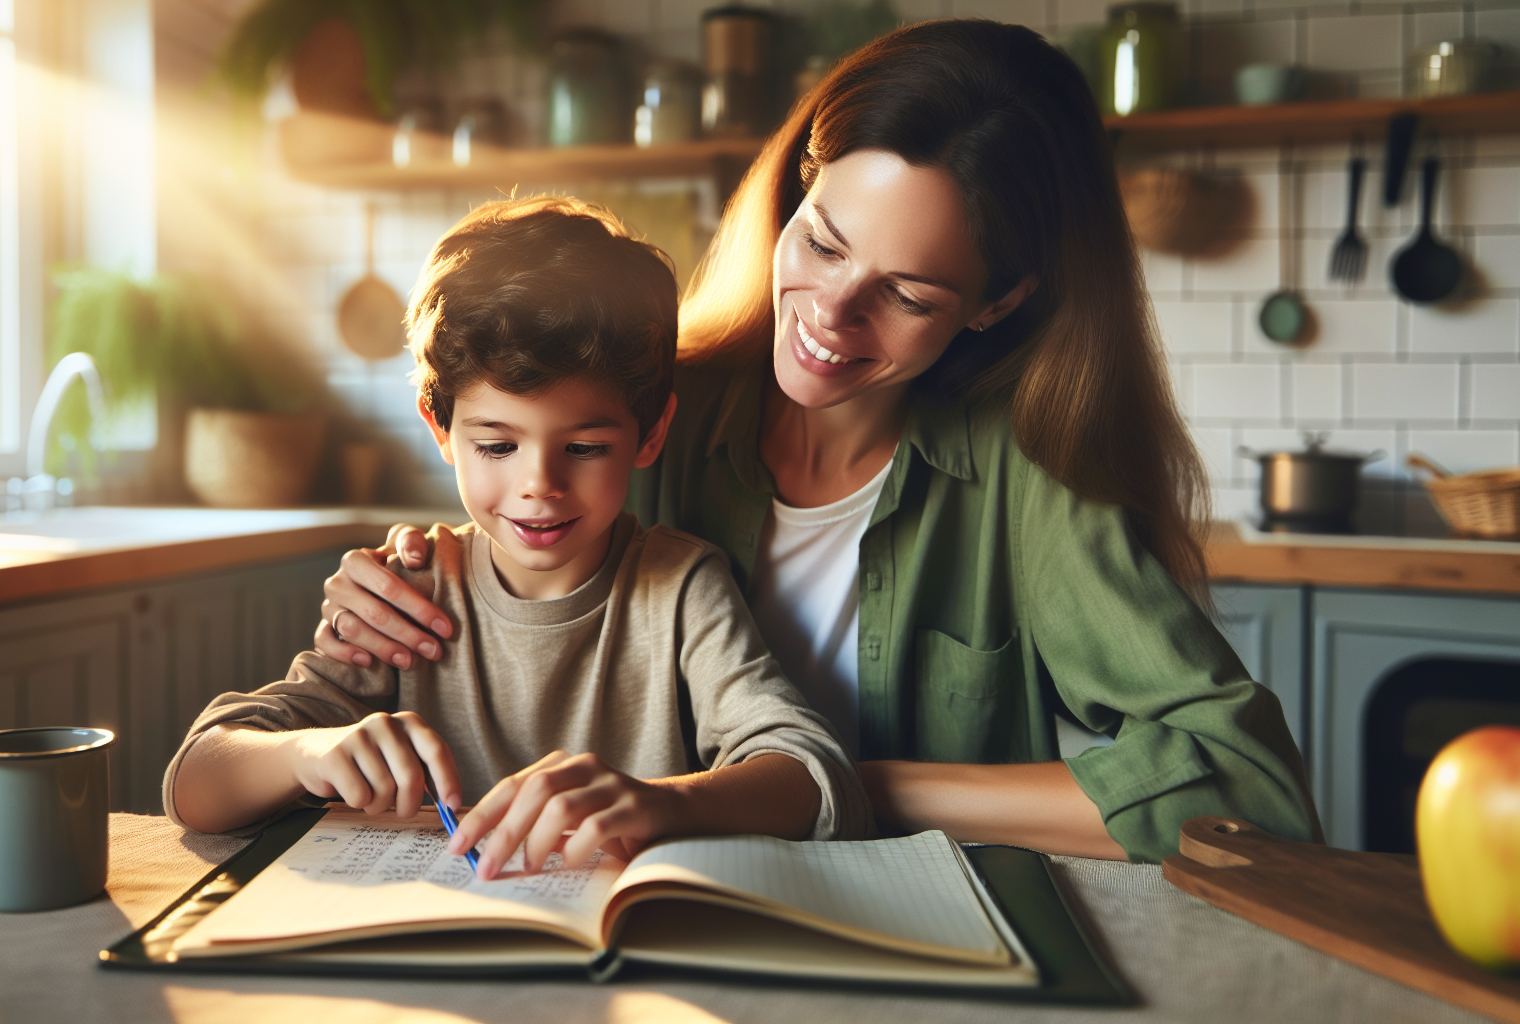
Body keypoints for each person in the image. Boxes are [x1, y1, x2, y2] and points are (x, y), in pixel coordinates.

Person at [314, 21, 1321, 863]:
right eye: (824, 242)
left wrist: (836, 780)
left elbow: (1246, 787)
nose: (831, 317)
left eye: (906, 293)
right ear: (797, 190)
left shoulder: (1028, 474)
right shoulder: (659, 401)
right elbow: (527, 528)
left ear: (996, 301)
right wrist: (399, 582)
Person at [165, 197, 870, 877]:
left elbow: (809, 771)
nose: (540, 485)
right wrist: (306, 754)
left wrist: (660, 801)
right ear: (440, 429)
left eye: (585, 448)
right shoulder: (407, 590)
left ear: (650, 433)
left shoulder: (682, 588)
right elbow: (195, 783)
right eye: (497, 447)